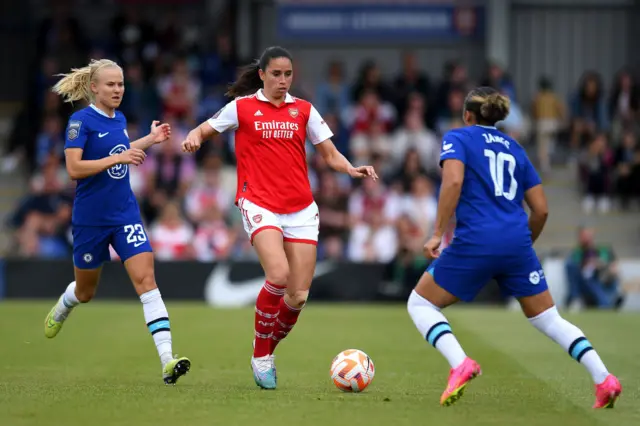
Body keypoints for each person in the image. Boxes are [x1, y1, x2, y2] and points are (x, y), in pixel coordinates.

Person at [406, 87, 621, 408]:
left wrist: (437, 233)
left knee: (420, 304)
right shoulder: (516, 148)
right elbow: (542, 209)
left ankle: (460, 363)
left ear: (468, 115)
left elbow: (452, 182)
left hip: (477, 238)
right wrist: (521, 246)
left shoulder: (458, 137)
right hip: (516, 242)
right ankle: (604, 378)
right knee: (549, 318)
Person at [181, 46, 377, 389]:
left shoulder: (303, 110)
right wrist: (194, 137)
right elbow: (204, 129)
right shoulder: (241, 108)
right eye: (276, 74)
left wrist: (351, 168)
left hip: (300, 207)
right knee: (279, 274)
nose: (283, 81)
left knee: (298, 296)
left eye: (288, 75)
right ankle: (261, 355)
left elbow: (329, 154)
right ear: (262, 74)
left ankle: (266, 350)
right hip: (258, 202)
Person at [43, 59, 191, 385]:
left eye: (121, 84)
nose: (117, 89)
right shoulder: (79, 122)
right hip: (90, 220)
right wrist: (120, 157)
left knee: (147, 281)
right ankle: (66, 302)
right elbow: (74, 169)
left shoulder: (120, 118)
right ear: (94, 87)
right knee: (85, 291)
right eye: (110, 84)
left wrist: (149, 140)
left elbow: (122, 149)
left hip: (125, 214)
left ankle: (168, 360)